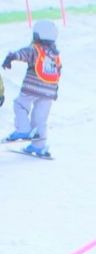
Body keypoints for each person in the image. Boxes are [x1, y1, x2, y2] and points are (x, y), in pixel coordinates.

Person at [1, 20, 62, 157]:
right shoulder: (55, 55)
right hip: (49, 91)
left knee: (20, 105)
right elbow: (58, 72)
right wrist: (55, 91)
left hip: (32, 87)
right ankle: (38, 146)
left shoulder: (36, 49)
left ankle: (23, 129)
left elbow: (25, 53)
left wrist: (11, 57)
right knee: (40, 118)